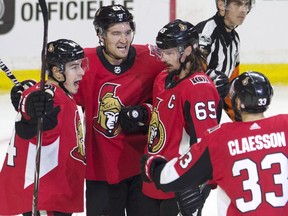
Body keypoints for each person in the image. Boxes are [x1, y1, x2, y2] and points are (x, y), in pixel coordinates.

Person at [140, 71, 288, 216]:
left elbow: (175, 177)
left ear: (236, 101)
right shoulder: (285, 126)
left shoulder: (221, 137)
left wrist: (154, 168)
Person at [73, 4, 165, 216]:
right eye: (116, 33)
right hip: (101, 172)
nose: (123, 40)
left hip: (143, 169)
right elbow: (55, 87)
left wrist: (145, 111)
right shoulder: (82, 63)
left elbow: (179, 84)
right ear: (100, 34)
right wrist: (31, 96)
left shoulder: (151, 58)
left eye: (127, 32)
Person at [138, 19, 222, 216]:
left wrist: (201, 187)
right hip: (151, 180)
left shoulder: (199, 88)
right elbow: (164, 119)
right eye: (162, 52)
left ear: (188, 51)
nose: (164, 58)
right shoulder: (162, 78)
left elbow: (207, 143)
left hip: (178, 187)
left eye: (170, 52)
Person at [0, 39, 88, 216]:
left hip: (54, 191)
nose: (81, 72)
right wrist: (30, 106)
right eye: (74, 67)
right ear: (57, 72)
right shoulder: (48, 99)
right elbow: (28, 126)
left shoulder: (58, 93)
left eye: (81, 65)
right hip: (44, 195)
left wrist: (30, 93)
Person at [195, 0, 255, 120]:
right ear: (222, 5)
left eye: (247, 4)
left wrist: (239, 119)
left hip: (211, 110)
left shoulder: (235, 40)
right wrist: (212, 81)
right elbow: (191, 75)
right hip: (193, 109)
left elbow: (230, 86)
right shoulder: (205, 32)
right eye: (238, 3)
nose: (243, 9)